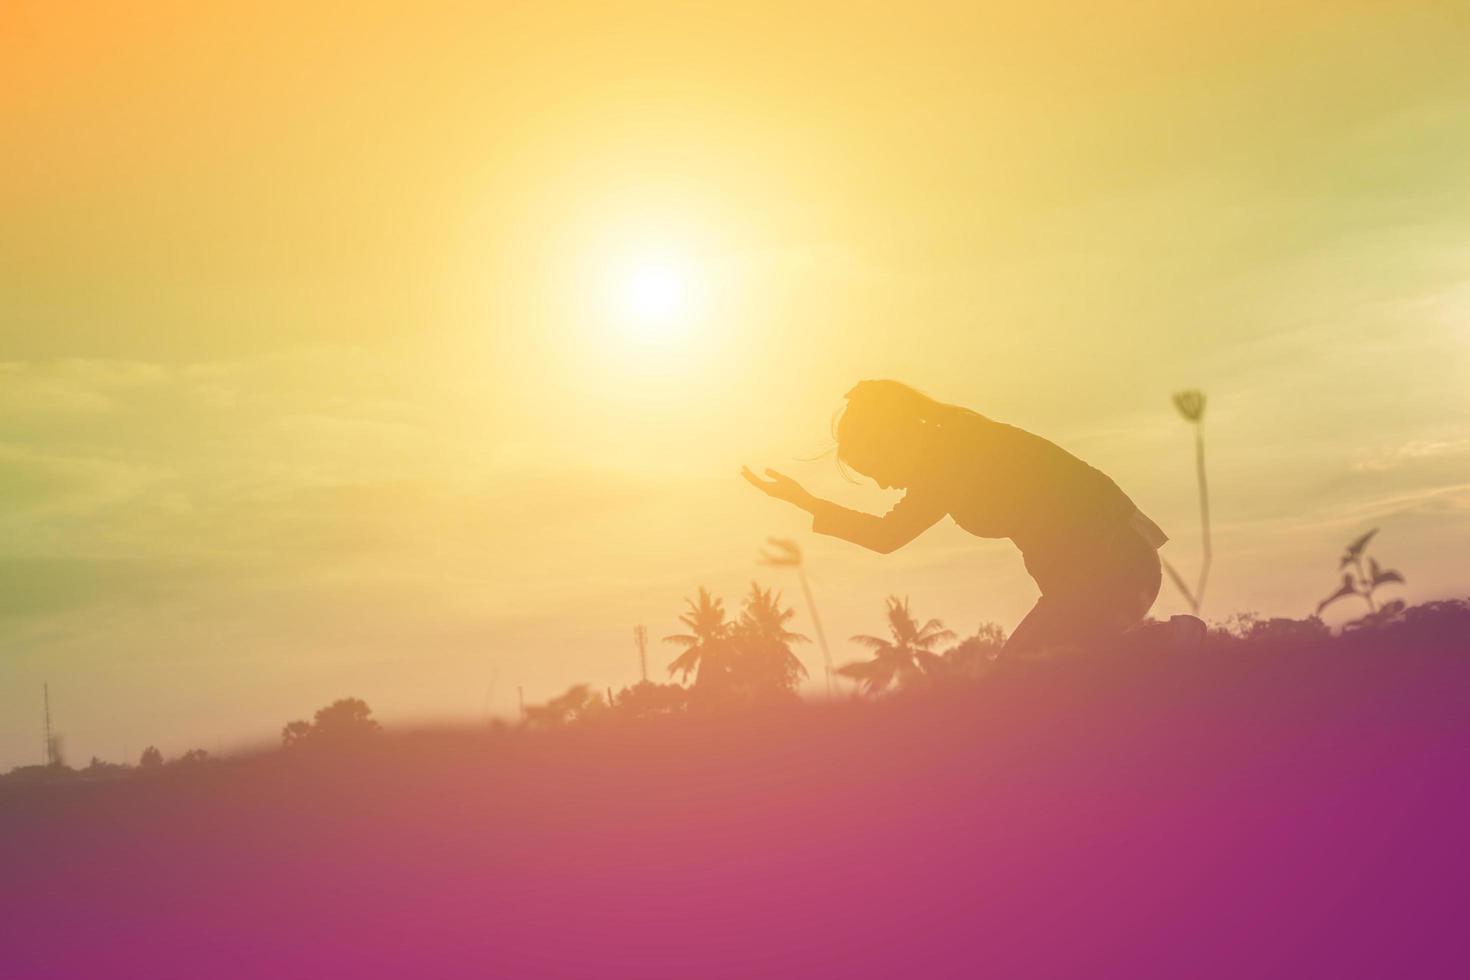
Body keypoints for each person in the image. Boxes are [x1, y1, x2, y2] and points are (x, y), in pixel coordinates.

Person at [742, 380, 1168, 658]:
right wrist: (805, 501)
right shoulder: (953, 447)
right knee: (1045, 679)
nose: (884, 484)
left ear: (892, 442)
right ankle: (1156, 651)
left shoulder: (951, 455)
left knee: (1022, 677)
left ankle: (1161, 646)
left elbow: (885, 536)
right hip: (1110, 571)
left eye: (877, 470)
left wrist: (806, 501)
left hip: (1111, 569)